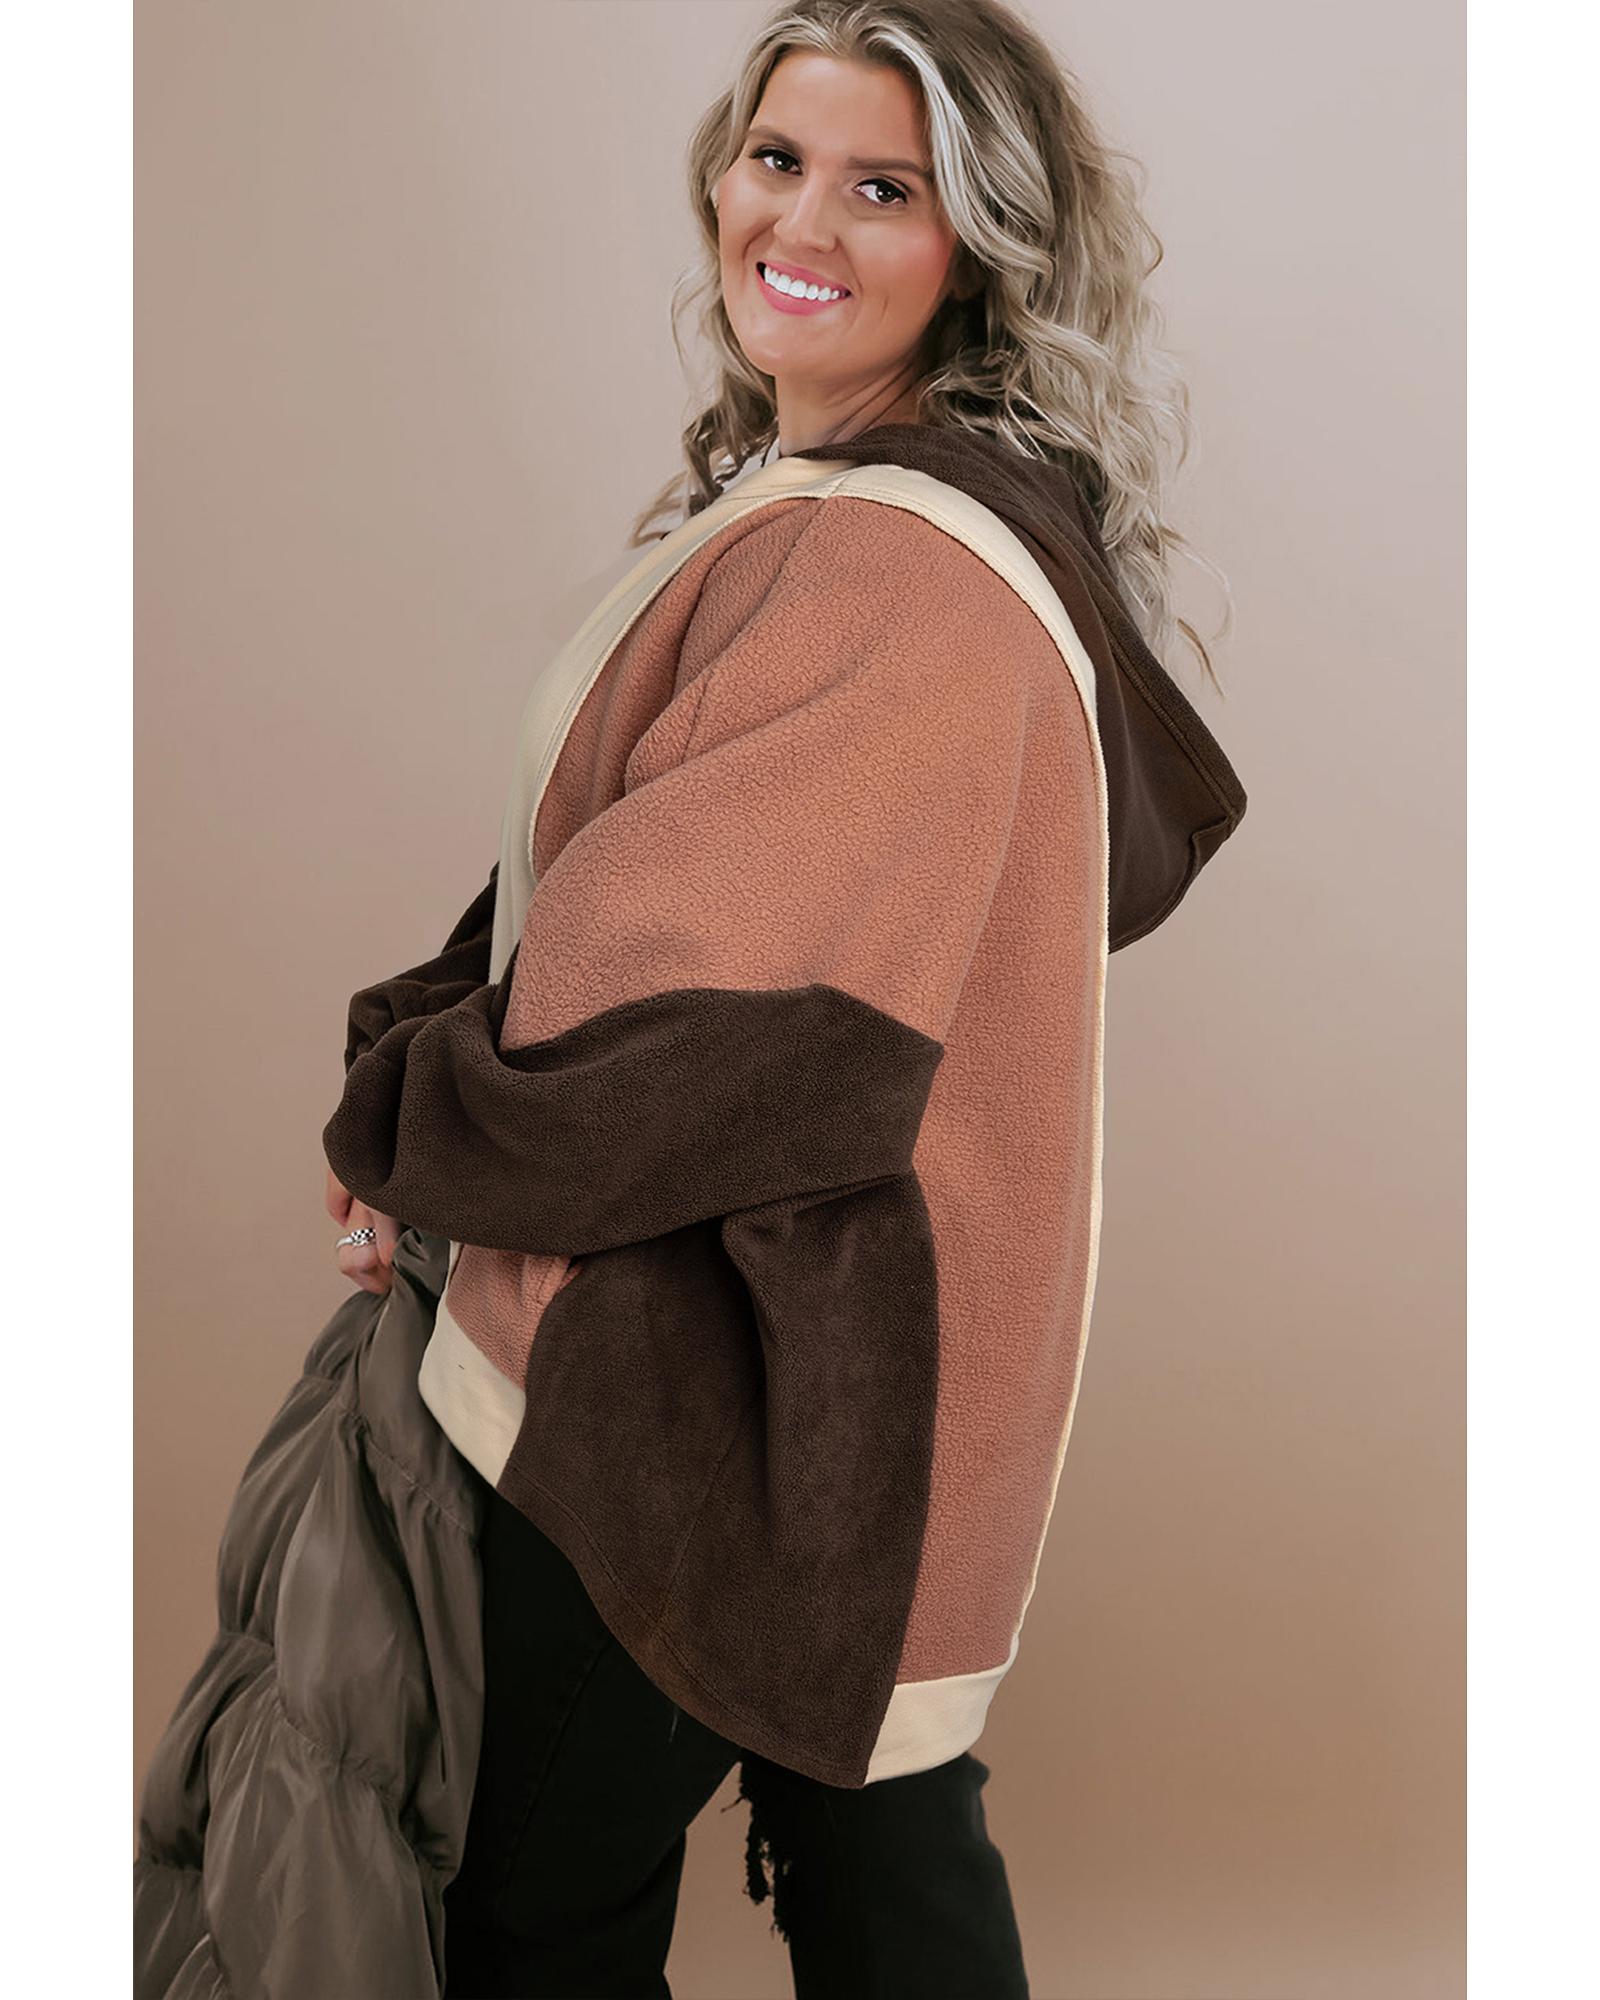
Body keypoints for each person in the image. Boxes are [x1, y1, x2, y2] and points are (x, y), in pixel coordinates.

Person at [322, 3, 1247, 1996]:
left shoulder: (895, 567)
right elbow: (615, 862)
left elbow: (703, 1029)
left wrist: (410, 1121)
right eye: (776, 159)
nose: (799, 223)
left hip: (707, 1372)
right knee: (881, 1869)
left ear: (976, 250)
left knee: (537, 1921)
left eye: (880, 187)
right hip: (817, 1358)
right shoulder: (839, 501)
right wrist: (425, 1062)